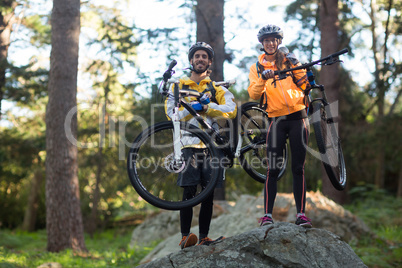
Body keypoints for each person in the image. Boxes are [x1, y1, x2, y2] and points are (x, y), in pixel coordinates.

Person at [164, 42, 237, 249]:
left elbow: (230, 109)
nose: (200, 59)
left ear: (210, 62)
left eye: (204, 56)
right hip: (187, 144)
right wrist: (191, 109)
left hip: (212, 146)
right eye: (197, 56)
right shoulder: (178, 85)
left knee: (208, 193)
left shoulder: (216, 87)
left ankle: (204, 236)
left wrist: (207, 107)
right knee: (188, 191)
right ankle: (185, 236)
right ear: (191, 61)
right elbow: (171, 113)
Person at [247, 24, 313, 228]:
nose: (270, 43)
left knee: (298, 168)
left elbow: (306, 85)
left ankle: (301, 214)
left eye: (273, 39)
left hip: (298, 117)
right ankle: (267, 215)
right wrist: (263, 80)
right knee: (272, 169)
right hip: (276, 119)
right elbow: (253, 94)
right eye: (266, 40)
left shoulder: (290, 60)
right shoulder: (257, 67)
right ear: (262, 44)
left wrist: (298, 66)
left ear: (278, 42)